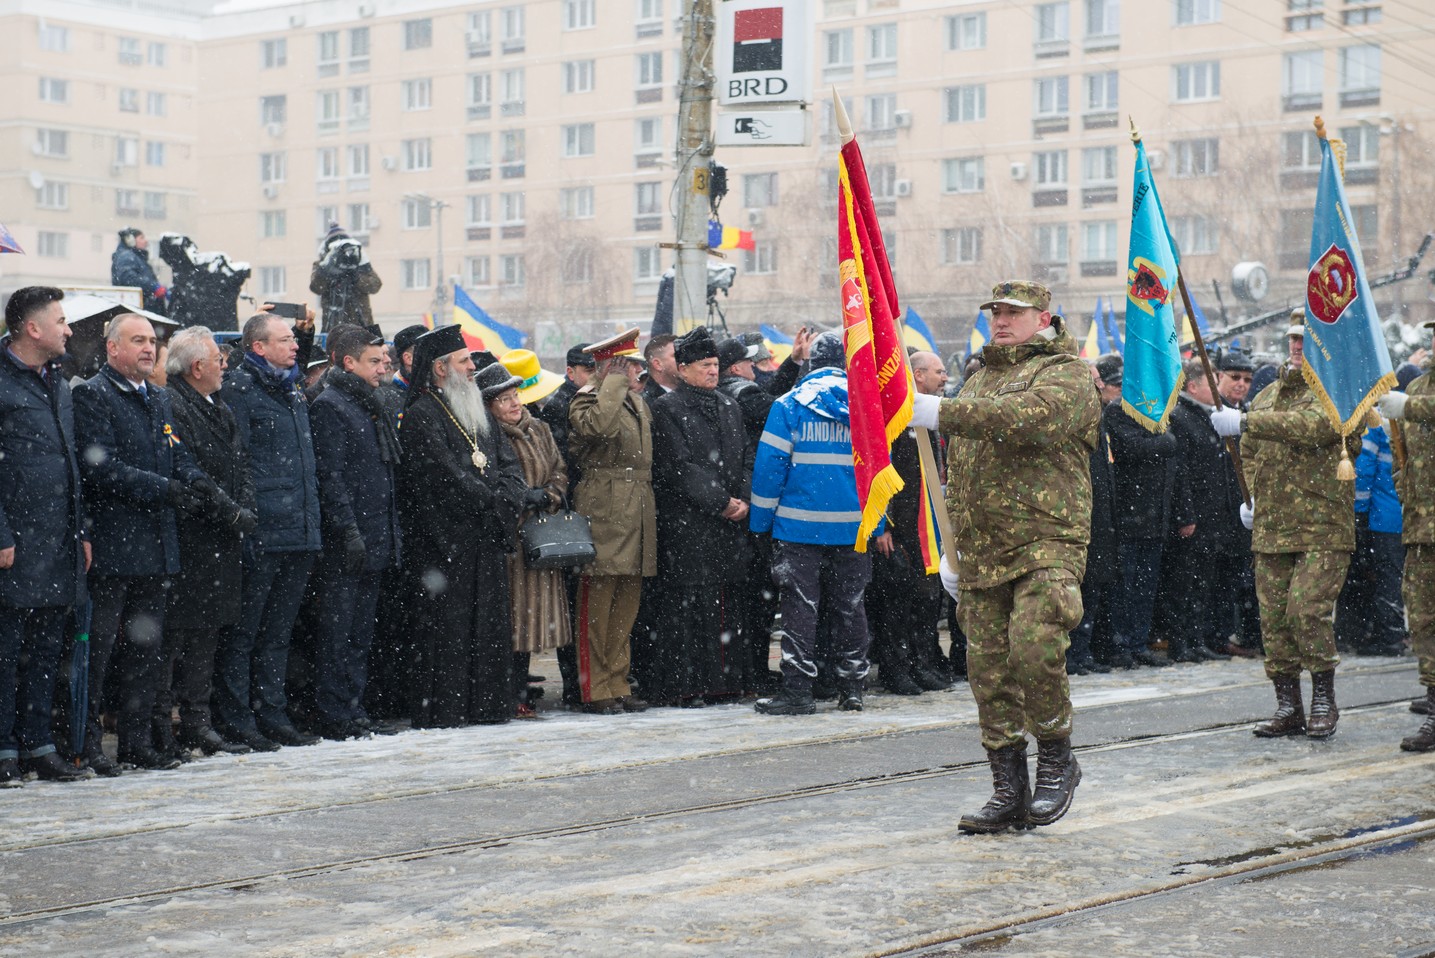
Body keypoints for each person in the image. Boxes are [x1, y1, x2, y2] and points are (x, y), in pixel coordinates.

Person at [910, 280, 1100, 832]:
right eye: (995, 311)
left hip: (1046, 538)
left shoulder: (1065, 371)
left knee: (1034, 645)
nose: (1001, 319)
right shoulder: (979, 376)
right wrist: (954, 548)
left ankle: (1058, 760)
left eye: (1013, 312)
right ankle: (1007, 787)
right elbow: (963, 468)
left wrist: (942, 411)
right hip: (983, 549)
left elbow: (1031, 418)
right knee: (988, 669)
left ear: (1044, 318)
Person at [71, 313, 211, 770]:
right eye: (138, 340)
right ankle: (88, 745)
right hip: (115, 548)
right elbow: (101, 467)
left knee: (145, 655)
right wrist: (166, 488)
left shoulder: (159, 398)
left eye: (153, 341)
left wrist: (197, 482)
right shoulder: (94, 395)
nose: (149, 349)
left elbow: (175, 453)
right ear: (113, 348)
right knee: (102, 653)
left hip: (157, 547)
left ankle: (136, 743)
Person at [1211, 308, 1357, 739]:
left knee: (1306, 612)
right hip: (1272, 527)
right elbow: (1252, 451)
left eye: (1306, 339)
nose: (1297, 346)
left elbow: (1314, 427)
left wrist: (1245, 421)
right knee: (1273, 621)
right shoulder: (1267, 394)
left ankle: (1323, 699)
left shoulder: (1337, 393)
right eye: (1294, 338)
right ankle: (1288, 705)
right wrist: (1251, 495)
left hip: (1321, 527)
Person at [750, 330, 884, 716]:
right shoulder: (864, 407)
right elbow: (879, 471)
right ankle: (852, 689)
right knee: (851, 608)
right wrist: (876, 525)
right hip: (853, 528)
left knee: (800, 609)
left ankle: (797, 692)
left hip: (798, 528)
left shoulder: (788, 406)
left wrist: (760, 523)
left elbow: (768, 471)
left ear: (809, 364)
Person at [398, 325, 526, 727]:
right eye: (465, 360)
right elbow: (444, 475)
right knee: (450, 630)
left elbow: (507, 461)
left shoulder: (472, 406)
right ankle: (450, 709)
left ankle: (487, 705)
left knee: (487, 626)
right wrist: (491, 500)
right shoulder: (422, 414)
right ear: (440, 369)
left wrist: (508, 495)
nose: (473, 367)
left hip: (485, 535)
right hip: (448, 541)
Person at [215, 311, 324, 750]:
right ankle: (239, 719)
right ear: (258, 347)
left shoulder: (293, 390)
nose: (295, 345)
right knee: (245, 634)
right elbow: (236, 460)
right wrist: (250, 522)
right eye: (285, 339)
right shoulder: (240, 389)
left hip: (298, 530)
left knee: (279, 634)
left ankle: (272, 714)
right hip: (263, 530)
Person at [0, 287, 89, 784]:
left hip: (58, 541)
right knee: (6, 654)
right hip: (14, 544)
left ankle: (40, 745)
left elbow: (72, 463)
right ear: (32, 329)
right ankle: (4, 750)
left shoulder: (56, 381)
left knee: (46, 653)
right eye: (60, 321)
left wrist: (83, 531)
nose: (69, 329)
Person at [161, 327, 257, 757]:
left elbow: (241, 464)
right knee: (177, 638)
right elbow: (188, 469)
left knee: (208, 634)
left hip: (223, 538)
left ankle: (199, 721)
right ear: (197, 366)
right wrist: (228, 510)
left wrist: (245, 507)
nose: (225, 365)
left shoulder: (218, 405)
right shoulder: (174, 405)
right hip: (194, 536)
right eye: (219, 359)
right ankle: (165, 723)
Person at [308, 328, 403, 740]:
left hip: (375, 534)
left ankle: (354, 706)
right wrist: (348, 530)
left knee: (361, 632)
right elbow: (331, 477)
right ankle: (334, 712)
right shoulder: (332, 405)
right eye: (375, 361)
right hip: (348, 539)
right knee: (337, 632)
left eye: (385, 361)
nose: (384, 368)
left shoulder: (368, 403)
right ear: (349, 362)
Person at [650, 327, 752, 706]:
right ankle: (689, 685)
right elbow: (679, 467)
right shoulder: (667, 409)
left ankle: (725, 681)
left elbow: (745, 456)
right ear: (685, 368)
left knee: (728, 604)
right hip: (689, 526)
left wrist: (742, 496)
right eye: (705, 365)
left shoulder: (729, 405)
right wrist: (721, 501)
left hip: (728, 526)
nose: (713, 371)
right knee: (690, 609)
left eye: (715, 365)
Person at [568, 329, 657, 715]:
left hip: (635, 506)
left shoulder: (635, 402)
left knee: (626, 605)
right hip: (604, 506)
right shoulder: (586, 401)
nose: (638, 372)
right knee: (598, 604)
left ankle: (618, 681)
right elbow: (597, 428)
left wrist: (621, 387)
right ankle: (595, 688)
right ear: (611, 369)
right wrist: (613, 384)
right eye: (630, 366)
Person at [483, 361, 570, 718]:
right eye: (504, 399)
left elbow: (560, 470)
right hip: (510, 540)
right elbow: (493, 482)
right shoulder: (488, 436)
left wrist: (548, 495)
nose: (514, 403)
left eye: (515, 395)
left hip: (541, 536)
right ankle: (510, 690)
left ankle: (520, 687)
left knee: (533, 619)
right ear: (489, 406)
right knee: (513, 620)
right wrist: (521, 498)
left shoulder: (540, 429)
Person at [1102, 356, 1192, 669]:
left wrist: (1182, 513)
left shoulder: (1159, 413)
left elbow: (1174, 468)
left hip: (1155, 517)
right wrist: (1164, 439)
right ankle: (1121, 643)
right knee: (1124, 588)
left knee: (1145, 587)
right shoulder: (1118, 410)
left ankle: (1138, 642)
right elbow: (1134, 447)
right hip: (1129, 516)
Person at [1378, 320, 1435, 750]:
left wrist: (1410, 408)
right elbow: (1405, 454)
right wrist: (1402, 481)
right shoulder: (1416, 391)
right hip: (1421, 526)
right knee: (1423, 618)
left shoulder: (1416, 400)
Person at [1156, 361, 1238, 662]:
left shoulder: (1209, 416)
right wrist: (1186, 514)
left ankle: (1196, 637)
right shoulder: (1180, 417)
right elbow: (1182, 473)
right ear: (1192, 387)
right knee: (1184, 581)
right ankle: (1180, 642)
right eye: (1211, 382)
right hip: (1195, 515)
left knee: (1204, 581)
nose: (1218, 389)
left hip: (1215, 514)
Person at [537, 342, 594, 707]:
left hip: (583, 512)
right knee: (572, 607)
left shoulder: (582, 402)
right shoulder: (562, 405)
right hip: (570, 515)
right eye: (587, 370)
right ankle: (575, 683)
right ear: (571, 372)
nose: (593, 377)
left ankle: (582, 682)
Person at [1213, 348, 1263, 658]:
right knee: (1218, 581)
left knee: (1244, 581)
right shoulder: (1213, 413)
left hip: (1244, 509)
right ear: (1218, 377)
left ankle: (1247, 634)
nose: (1241, 384)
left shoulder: (1248, 414)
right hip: (1216, 510)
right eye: (1234, 377)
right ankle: (1217, 635)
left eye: (1246, 379)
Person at [309, 227, 382, 332]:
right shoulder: (323, 264)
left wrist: (356, 276)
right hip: (334, 323)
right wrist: (327, 269)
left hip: (361, 323)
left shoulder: (358, 262)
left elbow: (375, 285)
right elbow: (316, 287)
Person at [110, 228, 168, 316]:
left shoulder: (136, 258)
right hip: (139, 309)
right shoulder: (127, 257)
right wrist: (153, 287)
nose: (146, 241)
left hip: (142, 308)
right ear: (130, 240)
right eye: (141, 238)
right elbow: (128, 278)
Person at [641, 333, 678, 402]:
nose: (683, 359)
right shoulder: (645, 402)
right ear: (658, 364)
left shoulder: (694, 392)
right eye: (676, 355)